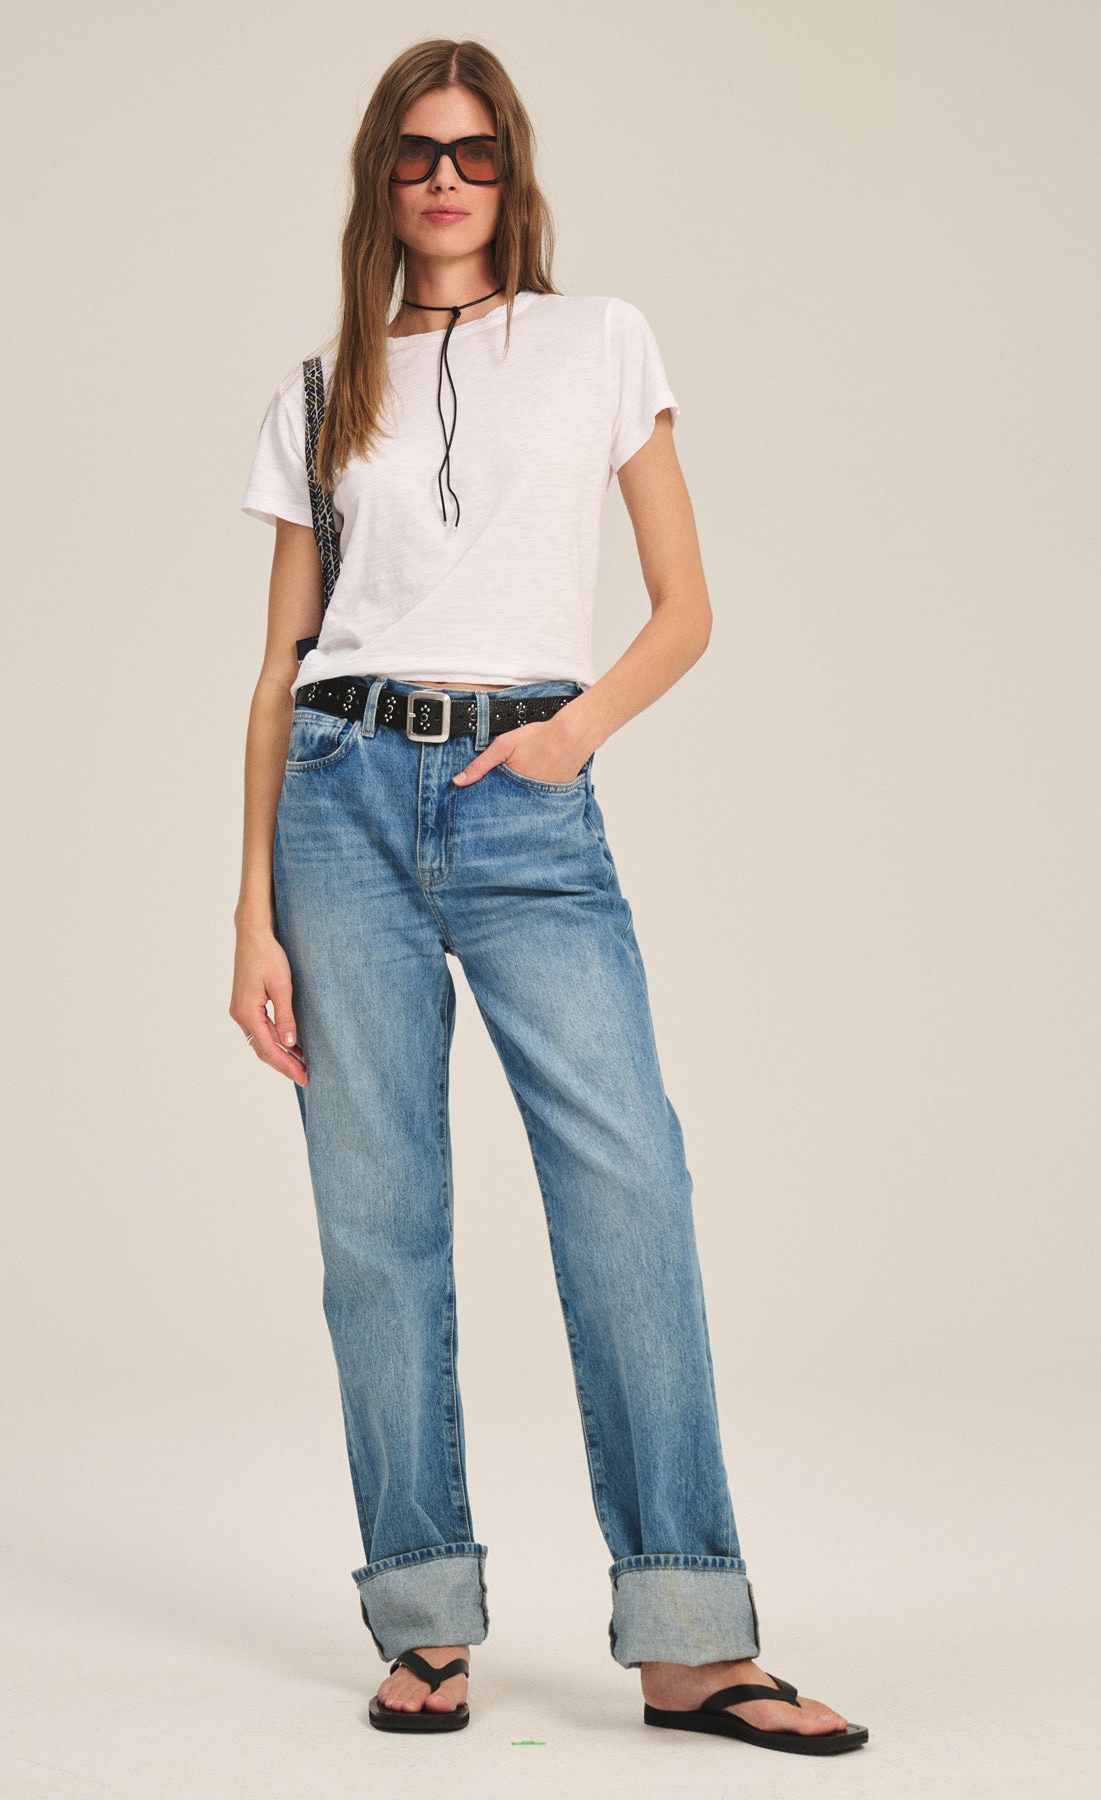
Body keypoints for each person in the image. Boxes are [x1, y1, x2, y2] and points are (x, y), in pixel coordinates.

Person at [230, 36, 867, 1755]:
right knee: (379, 1232)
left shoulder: (598, 340)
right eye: (417, 154)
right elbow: (281, 665)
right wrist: (247, 919)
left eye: (477, 152)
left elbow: (684, 600)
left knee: (629, 1185)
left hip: (526, 800)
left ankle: (687, 1637)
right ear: (382, 180)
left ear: (514, 174)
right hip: (341, 797)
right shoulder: (320, 386)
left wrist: (571, 737)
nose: (446, 178)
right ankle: (422, 1621)